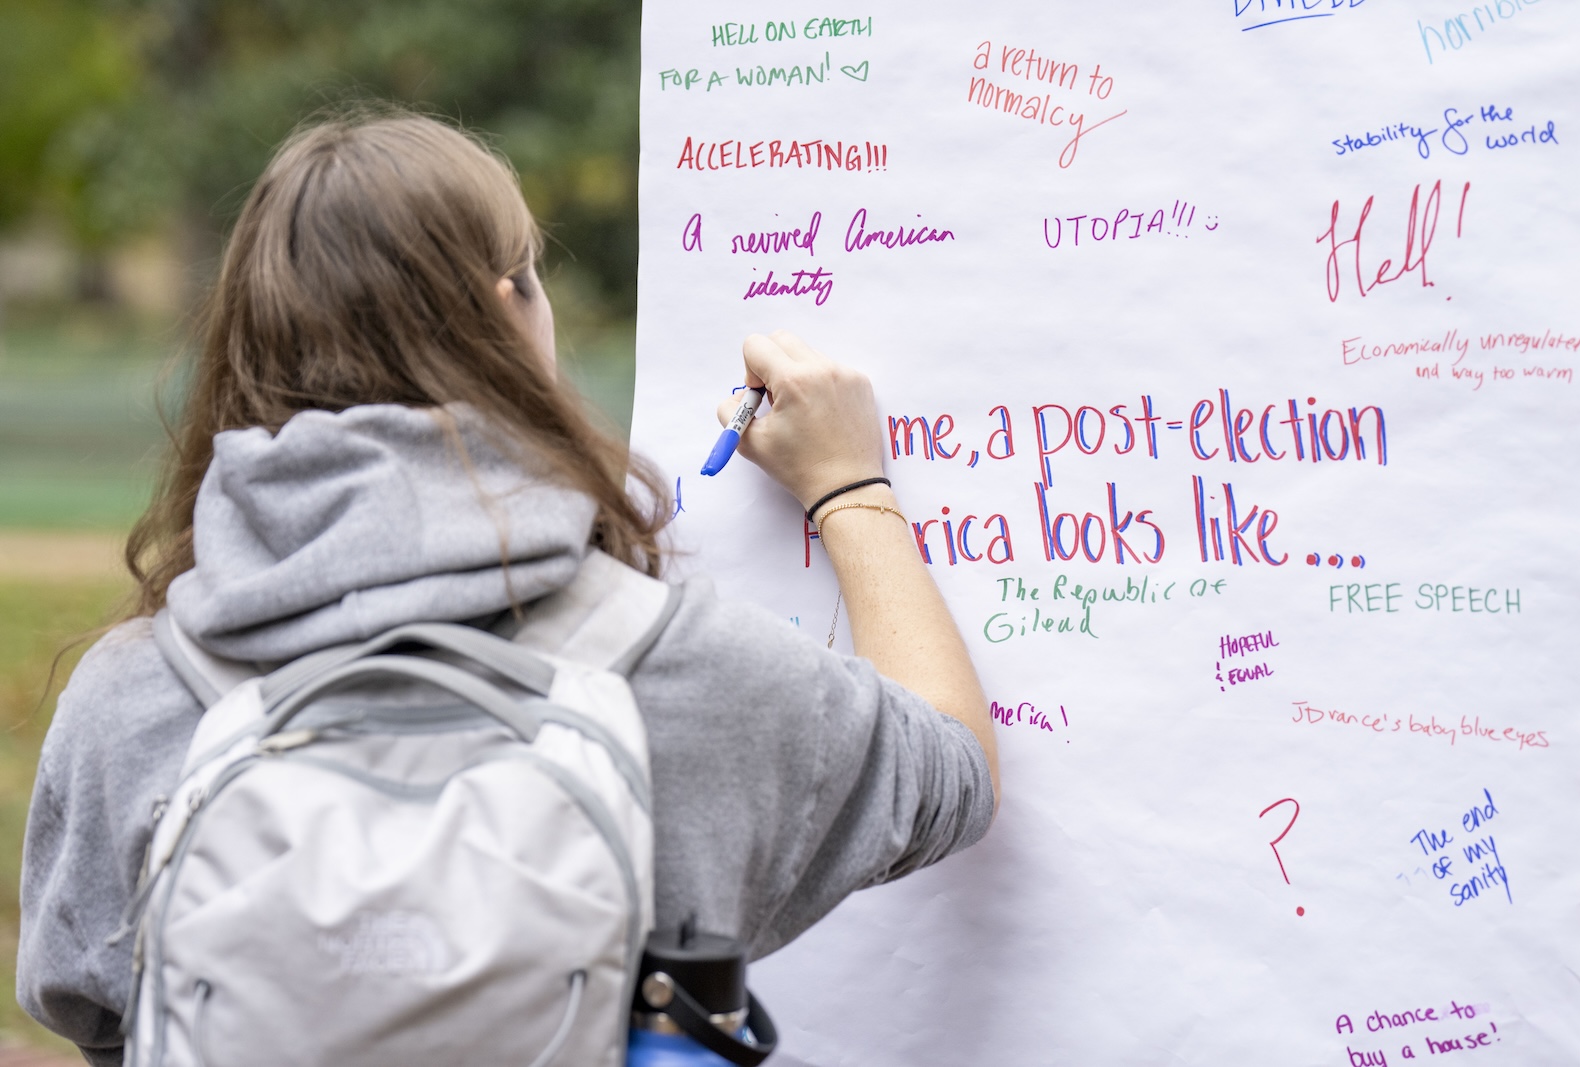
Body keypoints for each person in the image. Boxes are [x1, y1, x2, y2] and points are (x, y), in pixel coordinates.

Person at [16, 110, 998, 1066]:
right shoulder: (685, 667)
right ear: (506, 309)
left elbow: (92, 1005)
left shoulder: (128, 698)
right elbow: (952, 772)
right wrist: (850, 486)